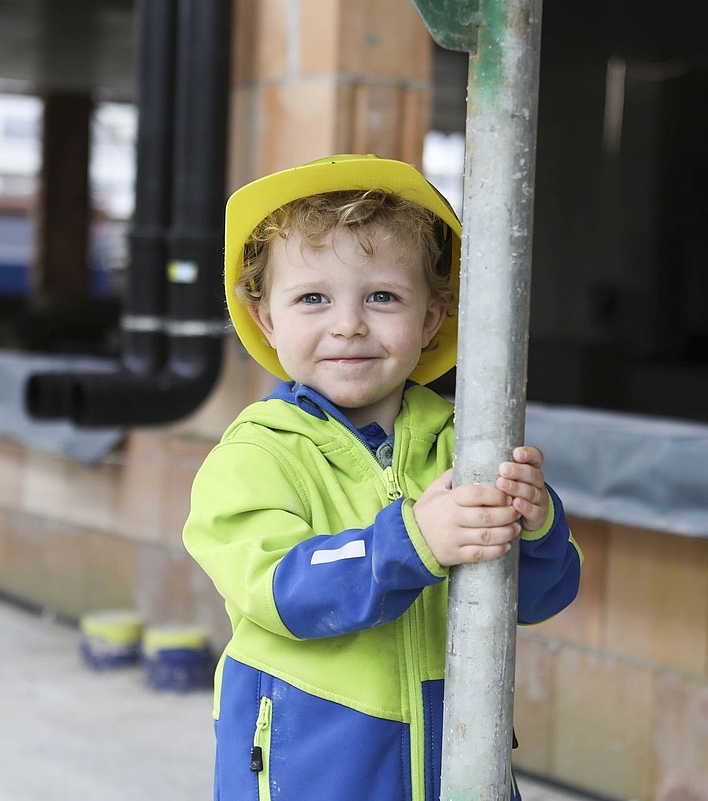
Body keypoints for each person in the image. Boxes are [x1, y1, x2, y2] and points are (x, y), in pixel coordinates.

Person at [182, 154, 582, 801]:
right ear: (266, 318)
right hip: (315, 768)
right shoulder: (256, 453)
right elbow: (280, 590)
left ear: (431, 319)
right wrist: (409, 542)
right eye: (313, 297)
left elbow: (537, 599)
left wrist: (538, 527)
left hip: (455, 759)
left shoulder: (469, 439)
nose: (348, 324)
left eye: (383, 297)